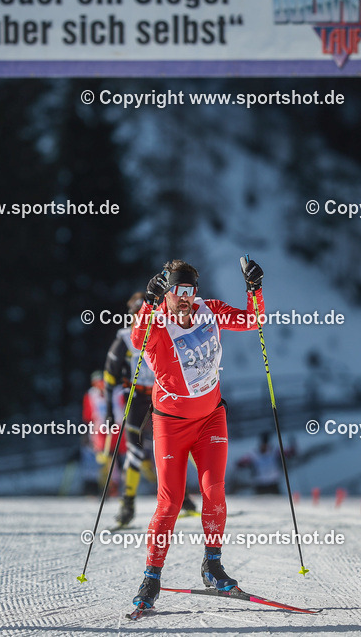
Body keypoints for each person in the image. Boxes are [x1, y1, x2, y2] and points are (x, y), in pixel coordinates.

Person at [130, 257, 264, 610]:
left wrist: (254, 289)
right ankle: (151, 578)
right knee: (171, 501)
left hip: (210, 418)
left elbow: (252, 320)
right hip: (171, 424)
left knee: (214, 490)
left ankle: (213, 566)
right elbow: (137, 340)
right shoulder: (158, 323)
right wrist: (148, 302)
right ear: (167, 292)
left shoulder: (210, 311)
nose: (185, 297)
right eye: (177, 290)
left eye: (190, 290)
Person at [105, 292, 197, 527]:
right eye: (137, 315)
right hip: (135, 398)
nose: (141, 319)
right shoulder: (125, 338)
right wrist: (108, 410)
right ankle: (127, 505)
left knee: (170, 450)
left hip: (161, 396)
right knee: (135, 452)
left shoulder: (163, 330)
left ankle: (183, 499)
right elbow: (110, 375)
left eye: (144, 314)